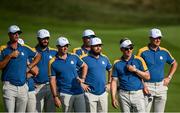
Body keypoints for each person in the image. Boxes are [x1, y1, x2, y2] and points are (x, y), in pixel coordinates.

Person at [0, 25, 41, 112]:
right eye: (14, 33)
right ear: (9, 35)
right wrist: (10, 56)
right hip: (9, 86)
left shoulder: (24, 48)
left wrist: (29, 66)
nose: (17, 35)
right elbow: (0, 66)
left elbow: (38, 56)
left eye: (18, 33)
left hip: (23, 87)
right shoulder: (3, 49)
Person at [137, 28, 178, 113]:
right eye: (155, 38)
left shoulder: (164, 51)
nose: (158, 40)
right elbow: (137, 71)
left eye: (159, 38)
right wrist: (143, 85)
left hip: (161, 87)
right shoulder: (142, 51)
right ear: (150, 38)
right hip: (147, 86)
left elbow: (174, 63)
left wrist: (169, 77)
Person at [49, 36, 88, 112]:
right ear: (57, 47)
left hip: (79, 92)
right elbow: (52, 81)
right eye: (63, 46)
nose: (65, 48)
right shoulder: (53, 62)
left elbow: (84, 66)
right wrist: (55, 97)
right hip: (65, 93)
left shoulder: (74, 56)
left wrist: (83, 78)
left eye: (66, 46)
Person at [111, 38, 150, 113]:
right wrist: (113, 98)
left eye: (131, 48)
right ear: (121, 49)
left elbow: (147, 76)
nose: (129, 50)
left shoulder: (139, 60)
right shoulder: (117, 63)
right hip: (123, 95)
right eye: (126, 48)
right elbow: (114, 81)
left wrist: (135, 70)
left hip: (138, 94)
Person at [81, 37, 112, 113]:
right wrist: (81, 84)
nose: (98, 48)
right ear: (91, 47)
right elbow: (74, 72)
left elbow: (110, 69)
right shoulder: (83, 58)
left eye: (100, 46)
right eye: (96, 46)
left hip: (103, 93)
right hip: (90, 93)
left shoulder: (105, 58)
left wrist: (109, 83)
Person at [33, 29, 57, 112]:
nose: (46, 40)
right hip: (37, 87)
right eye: (43, 38)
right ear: (38, 39)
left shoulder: (54, 52)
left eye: (47, 38)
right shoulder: (32, 52)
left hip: (51, 87)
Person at [17, 38, 38, 112]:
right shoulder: (11, 58)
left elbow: (35, 71)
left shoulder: (29, 57)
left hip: (30, 89)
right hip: (17, 90)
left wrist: (27, 63)